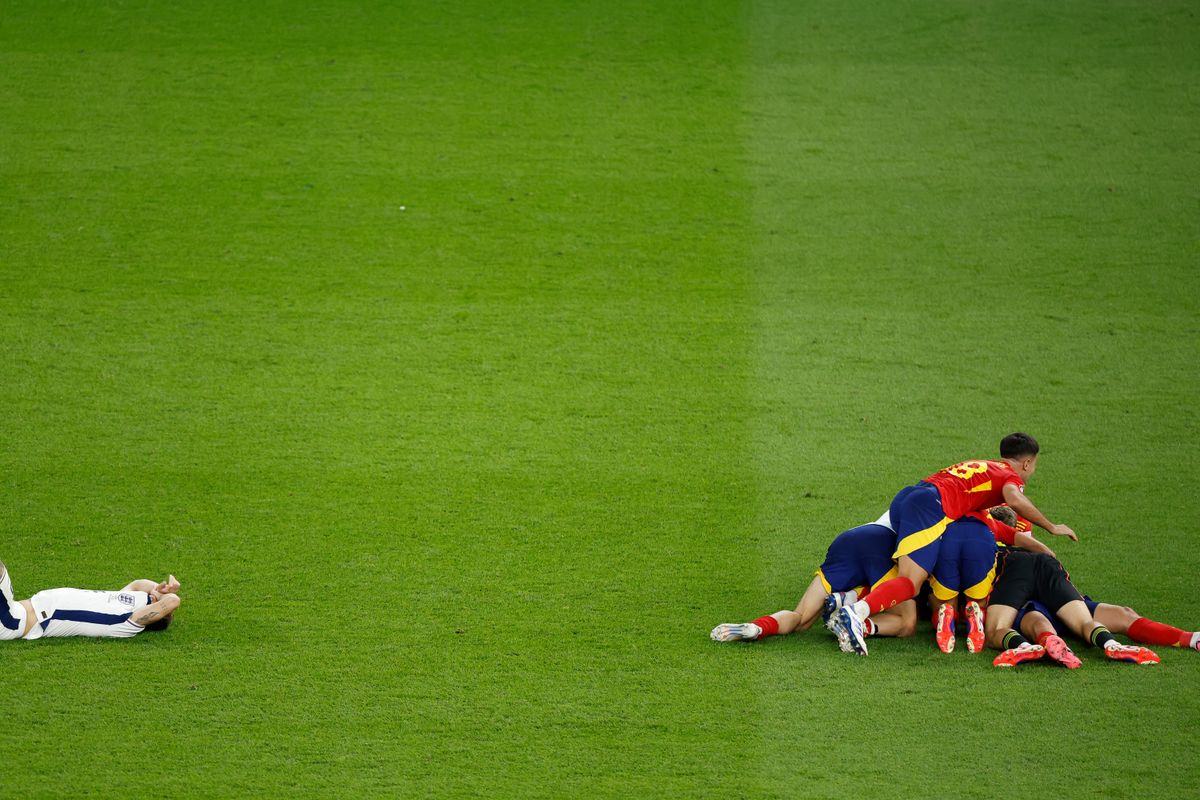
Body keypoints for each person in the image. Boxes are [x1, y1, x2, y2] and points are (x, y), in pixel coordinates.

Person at [829, 432, 1076, 655]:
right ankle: (855, 613)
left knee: (909, 578)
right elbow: (1015, 500)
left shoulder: (983, 467)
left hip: (910, 497)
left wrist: (1044, 550)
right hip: (930, 507)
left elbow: (1003, 530)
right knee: (911, 583)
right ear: (1027, 463)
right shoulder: (1009, 477)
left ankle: (849, 602)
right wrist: (1052, 527)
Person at [710, 514, 915, 646]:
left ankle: (757, 627)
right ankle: (857, 620)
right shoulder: (935, 515)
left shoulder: (911, 501)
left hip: (849, 540)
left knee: (801, 618)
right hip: (881, 548)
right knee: (907, 621)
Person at [983, 548, 1157, 668]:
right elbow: (1047, 552)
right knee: (1085, 622)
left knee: (995, 631)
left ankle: (1023, 646)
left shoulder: (992, 545)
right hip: (1047, 563)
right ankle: (1111, 643)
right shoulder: (1027, 541)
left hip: (1015, 569)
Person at [0, 559, 180, 640]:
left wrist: (169, 594)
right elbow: (139, 584)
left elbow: (172, 601)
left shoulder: (128, 624)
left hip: (15, 621)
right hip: (17, 611)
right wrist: (159, 590)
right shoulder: (120, 601)